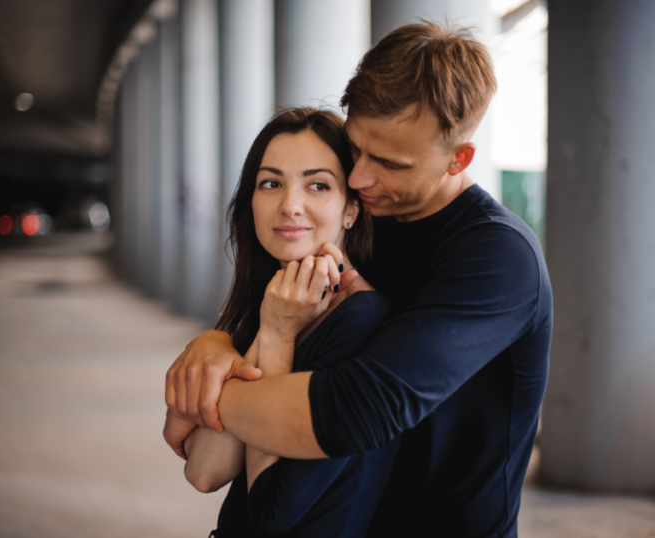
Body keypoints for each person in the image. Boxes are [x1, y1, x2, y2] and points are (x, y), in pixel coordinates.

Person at [164, 20, 552, 537]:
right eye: (356, 149)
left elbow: (354, 410)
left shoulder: (499, 257)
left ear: (459, 158)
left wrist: (211, 394)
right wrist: (215, 344)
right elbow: (209, 462)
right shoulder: (363, 223)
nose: (360, 178)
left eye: (388, 162)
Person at [169, 107, 400, 537]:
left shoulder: (360, 321)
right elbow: (204, 470)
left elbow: (274, 512)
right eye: (271, 183)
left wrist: (277, 337)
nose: (290, 206)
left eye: (317, 185)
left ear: (351, 208)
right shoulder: (283, 304)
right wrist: (256, 331)